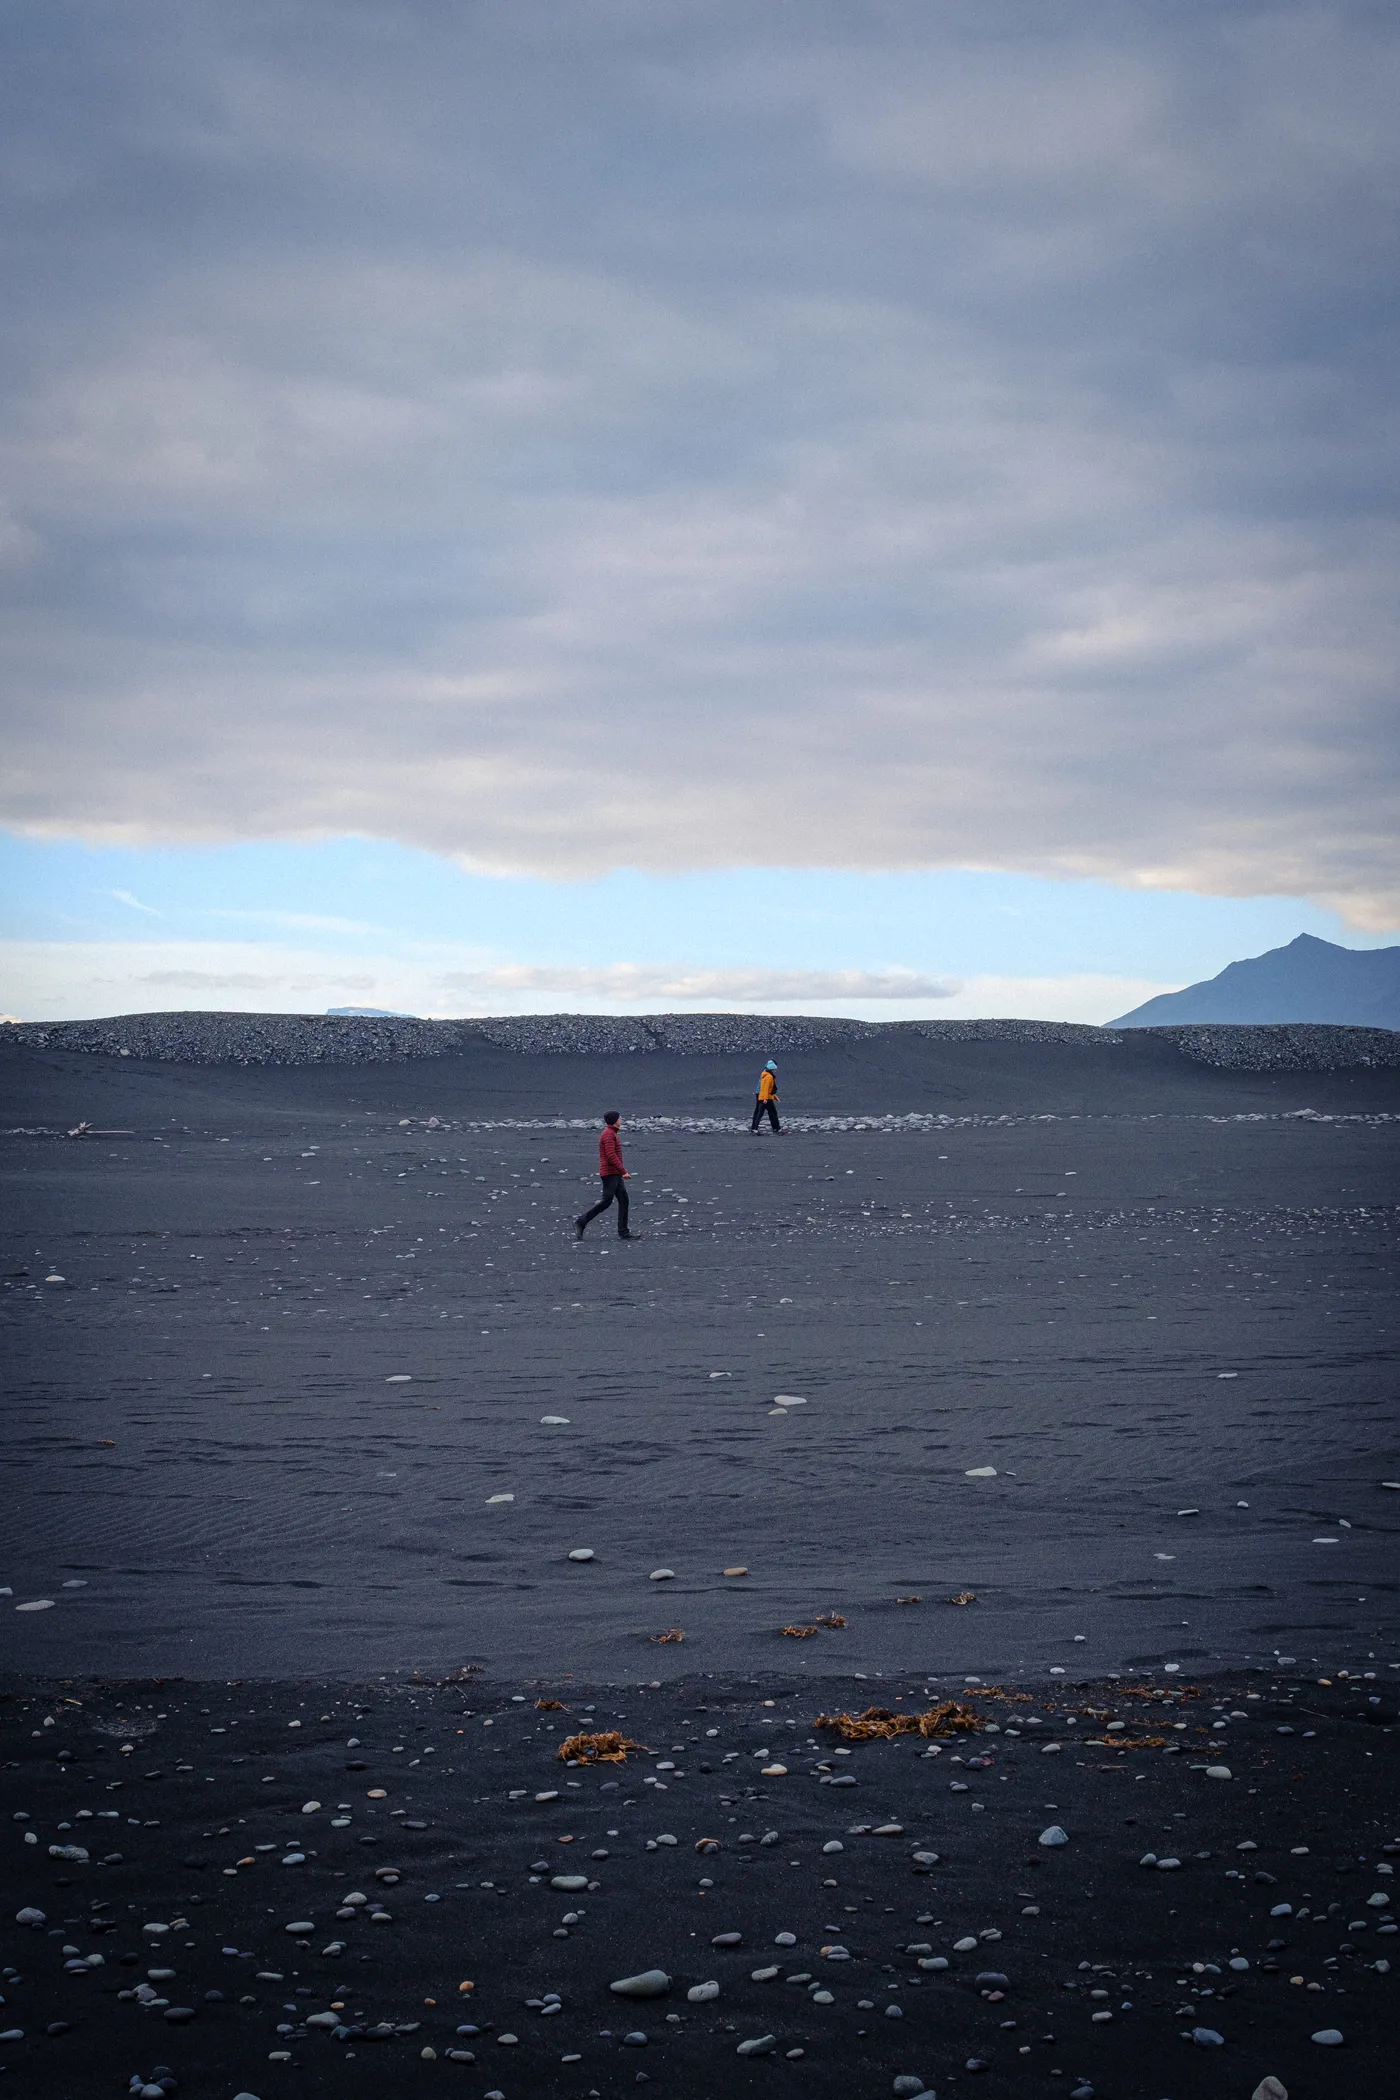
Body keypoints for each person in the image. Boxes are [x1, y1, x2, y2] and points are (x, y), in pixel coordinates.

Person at [575, 1111, 640, 1238]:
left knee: (623, 1200)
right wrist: (624, 1171)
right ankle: (581, 1221)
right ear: (615, 1120)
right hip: (610, 1173)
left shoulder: (611, 1133)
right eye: (619, 1118)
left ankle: (623, 1232)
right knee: (607, 1201)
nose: (621, 1120)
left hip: (614, 1173)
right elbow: (611, 1156)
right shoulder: (608, 1135)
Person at [751, 1058, 783, 1134]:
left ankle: (754, 1128)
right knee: (770, 1112)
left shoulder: (764, 1073)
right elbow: (766, 1088)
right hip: (765, 1096)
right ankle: (776, 1128)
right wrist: (766, 1098)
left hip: (760, 1094)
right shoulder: (768, 1076)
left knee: (758, 1112)